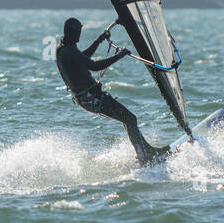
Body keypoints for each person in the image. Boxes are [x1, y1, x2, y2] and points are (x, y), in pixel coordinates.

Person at [55, 17, 170, 166]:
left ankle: (147, 151)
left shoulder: (64, 48)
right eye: (78, 32)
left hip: (87, 98)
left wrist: (99, 40)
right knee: (130, 119)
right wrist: (119, 56)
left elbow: (83, 58)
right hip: (92, 99)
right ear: (73, 32)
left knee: (128, 119)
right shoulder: (69, 51)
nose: (79, 35)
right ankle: (144, 156)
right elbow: (94, 66)